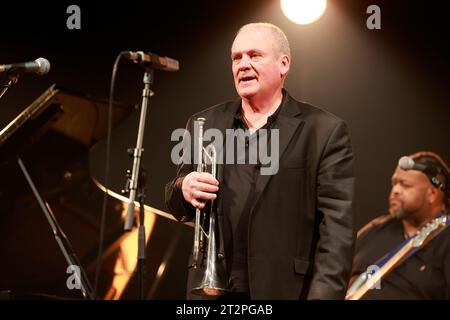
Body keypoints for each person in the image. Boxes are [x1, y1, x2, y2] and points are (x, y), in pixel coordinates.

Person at [165, 22, 355, 300]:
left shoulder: (323, 130)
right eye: (236, 57)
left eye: (254, 55)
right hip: (211, 292)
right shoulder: (205, 123)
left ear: (284, 64)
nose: (243, 64)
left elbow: (337, 233)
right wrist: (183, 188)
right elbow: (174, 200)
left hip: (286, 291)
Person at [350, 151, 450, 299]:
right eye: (394, 183)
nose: (395, 191)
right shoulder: (374, 230)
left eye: (405, 185)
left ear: (432, 194)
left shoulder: (445, 240)